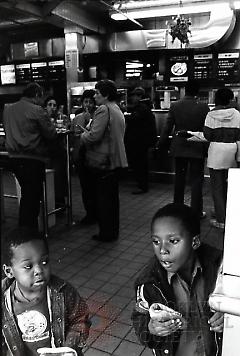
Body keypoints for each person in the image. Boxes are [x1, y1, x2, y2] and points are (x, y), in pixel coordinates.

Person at [132, 203, 223, 356]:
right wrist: (151, 328)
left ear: (194, 242)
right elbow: (139, 320)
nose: (162, 250)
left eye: (173, 241)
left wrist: (229, 316)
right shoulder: (148, 283)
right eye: (156, 241)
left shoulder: (220, 268)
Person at [1, 226, 91, 356]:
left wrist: (69, 348)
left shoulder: (64, 292)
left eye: (44, 262)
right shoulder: (4, 300)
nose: (38, 270)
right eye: (28, 266)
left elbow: (81, 319)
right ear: (9, 271)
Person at [3, 83, 57, 228]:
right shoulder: (37, 110)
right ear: (37, 94)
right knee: (32, 198)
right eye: (42, 97)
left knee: (27, 195)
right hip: (33, 159)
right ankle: (27, 233)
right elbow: (51, 134)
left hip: (14, 159)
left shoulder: (8, 109)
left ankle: (26, 230)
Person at [80, 79, 128, 242]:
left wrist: (83, 135)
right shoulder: (117, 109)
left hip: (103, 161)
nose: (95, 96)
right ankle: (112, 231)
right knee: (112, 199)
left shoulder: (103, 109)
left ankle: (106, 233)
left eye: (97, 93)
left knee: (103, 199)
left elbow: (94, 136)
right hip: (115, 159)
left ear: (106, 95)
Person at [159, 80, 209, 219]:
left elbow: (167, 126)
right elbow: (206, 129)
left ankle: (177, 209)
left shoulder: (175, 105)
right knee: (197, 181)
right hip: (197, 146)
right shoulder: (204, 107)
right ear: (197, 91)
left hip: (179, 147)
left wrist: (161, 142)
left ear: (185, 90)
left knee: (179, 179)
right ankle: (197, 212)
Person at [203, 88, 240, 229]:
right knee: (229, 186)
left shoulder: (210, 115)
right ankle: (228, 214)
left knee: (217, 187)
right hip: (232, 150)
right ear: (231, 99)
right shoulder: (237, 114)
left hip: (216, 151)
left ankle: (221, 219)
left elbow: (207, 135)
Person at [71, 89, 97, 224]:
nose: (88, 104)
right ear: (82, 103)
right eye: (86, 101)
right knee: (85, 187)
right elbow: (72, 135)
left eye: (91, 102)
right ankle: (89, 213)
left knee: (94, 186)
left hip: (94, 156)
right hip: (80, 155)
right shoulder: (76, 117)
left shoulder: (99, 117)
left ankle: (96, 213)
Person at [124, 87, 157, 194]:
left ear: (139, 97)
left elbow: (134, 119)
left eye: (134, 96)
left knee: (140, 164)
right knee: (141, 164)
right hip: (142, 141)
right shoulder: (144, 107)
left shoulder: (141, 108)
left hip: (139, 142)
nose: (132, 98)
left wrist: (123, 116)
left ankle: (142, 186)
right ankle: (142, 185)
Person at [44, 96, 67, 210]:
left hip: (58, 153)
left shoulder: (61, 118)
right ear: (45, 106)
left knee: (58, 179)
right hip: (46, 154)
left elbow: (65, 132)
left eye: (54, 105)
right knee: (49, 180)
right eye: (50, 105)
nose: (52, 107)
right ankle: (51, 205)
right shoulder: (42, 119)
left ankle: (59, 205)